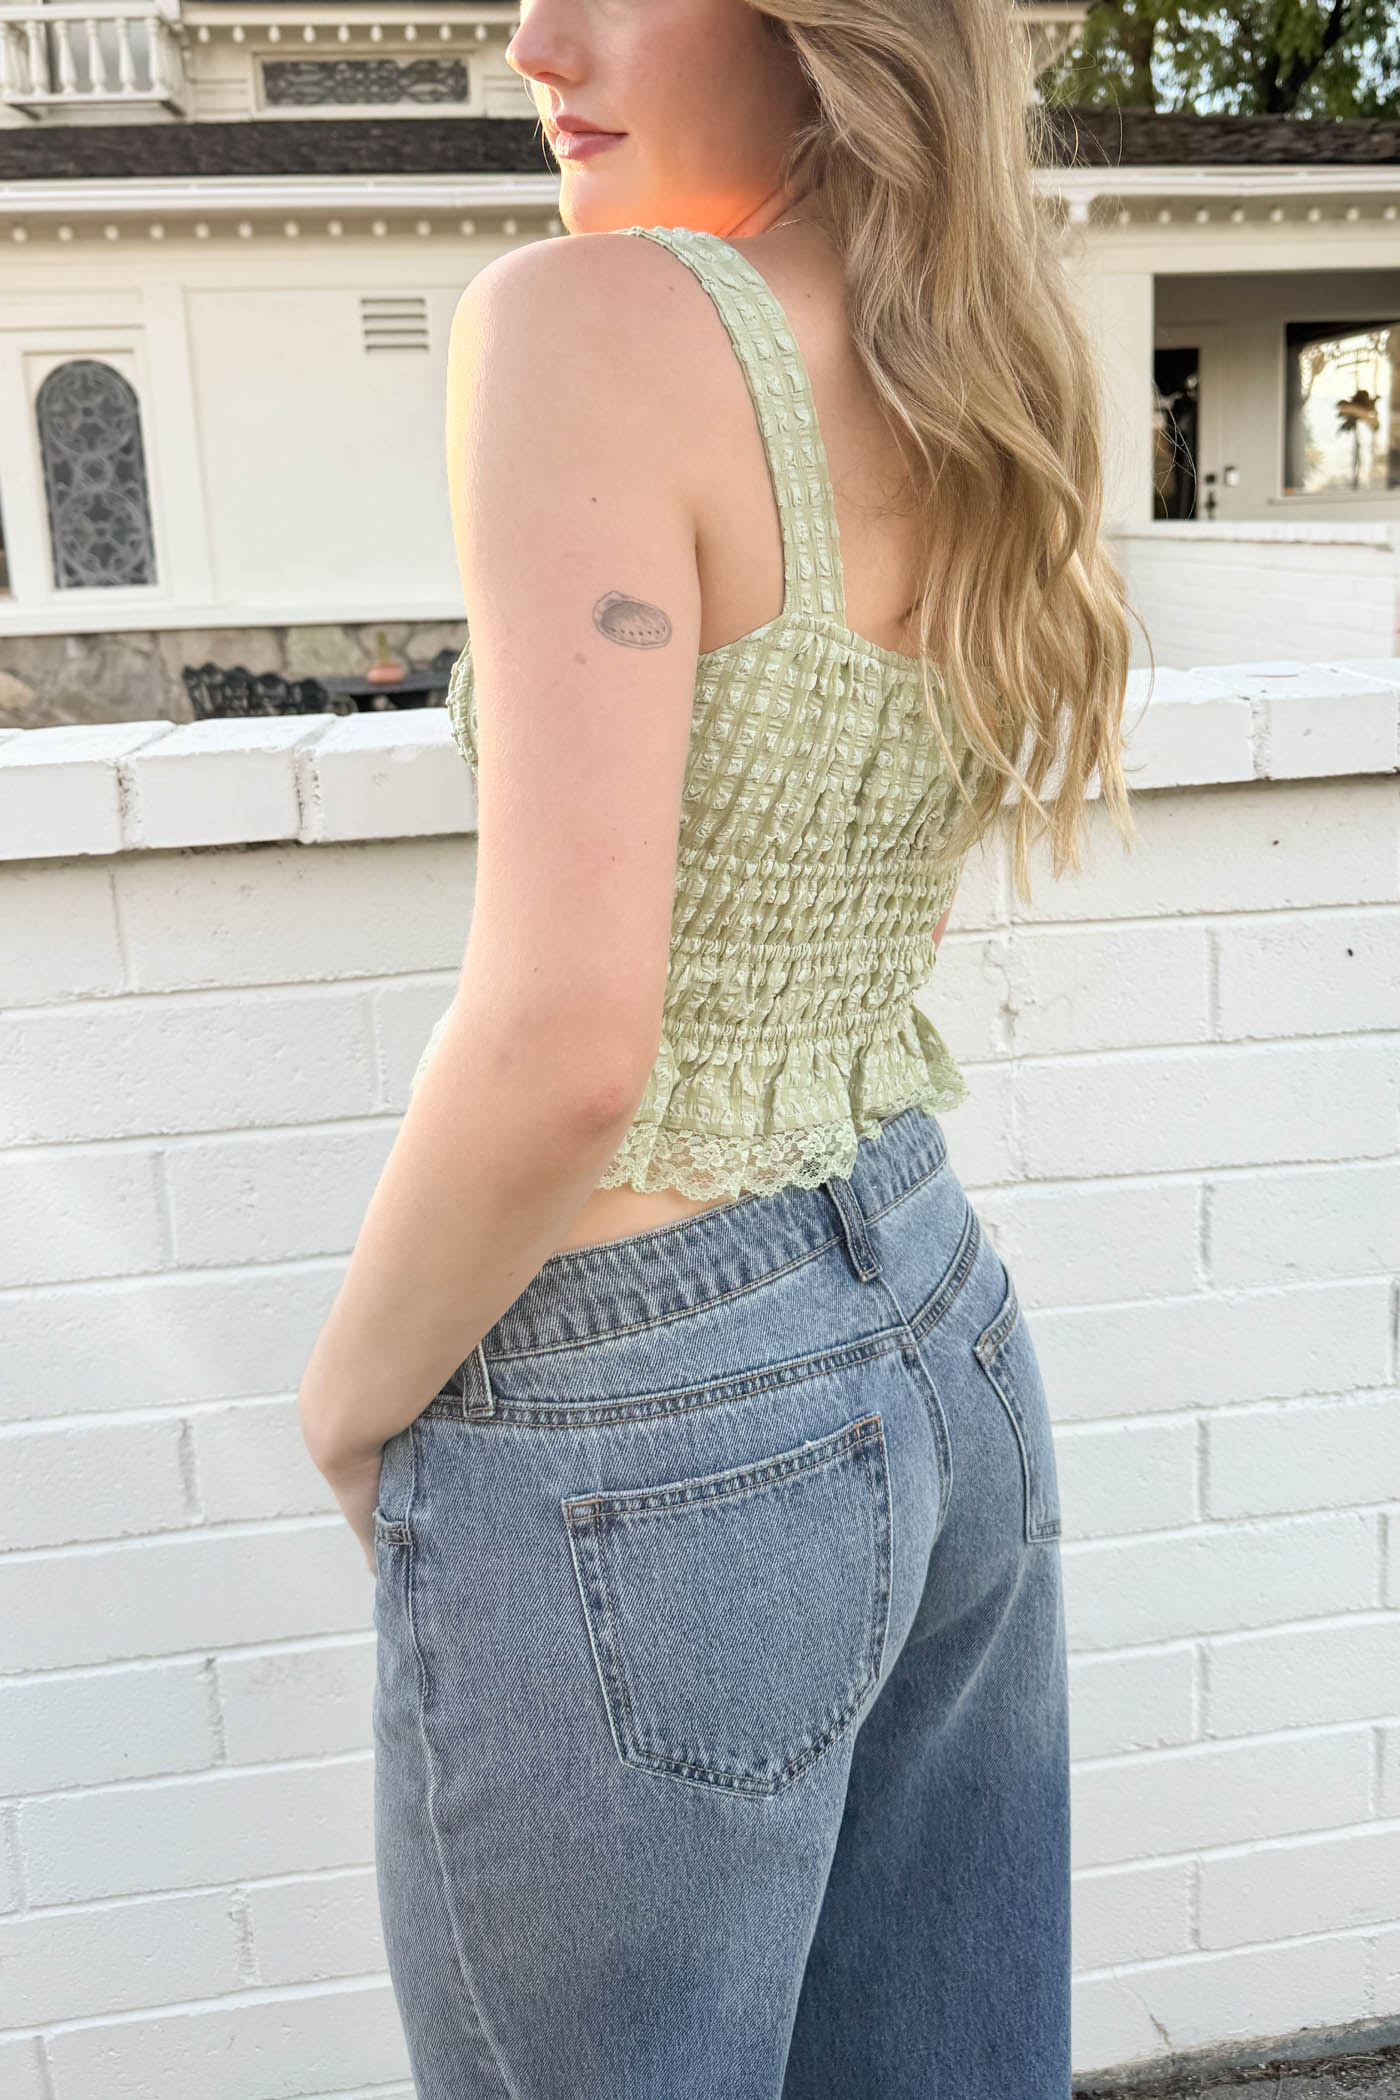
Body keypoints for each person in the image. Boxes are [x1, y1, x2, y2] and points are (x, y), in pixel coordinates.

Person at [298, 0, 1138, 2092]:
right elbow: (861, 920)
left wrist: (355, 1399)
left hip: (640, 1422)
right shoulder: (969, 361)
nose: (529, 42)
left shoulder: (591, 323)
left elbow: (577, 1038)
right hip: (936, 1326)